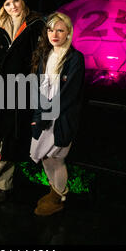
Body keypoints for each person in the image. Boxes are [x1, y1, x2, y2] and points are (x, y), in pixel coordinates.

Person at [0, 0, 45, 202]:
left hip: (22, 90)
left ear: (23, 2)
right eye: (7, 4)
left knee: (11, 136)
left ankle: (4, 186)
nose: (12, 7)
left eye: (15, 1)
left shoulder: (37, 26)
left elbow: (42, 59)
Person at [29, 12, 85, 216]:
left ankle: (59, 196)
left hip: (60, 117)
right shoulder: (46, 55)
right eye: (51, 29)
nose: (54, 34)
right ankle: (54, 192)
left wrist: (45, 113)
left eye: (60, 30)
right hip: (43, 114)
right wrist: (39, 114)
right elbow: (37, 87)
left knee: (56, 159)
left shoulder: (76, 58)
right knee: (45, 157)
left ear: (68, 33)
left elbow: (69, 94)